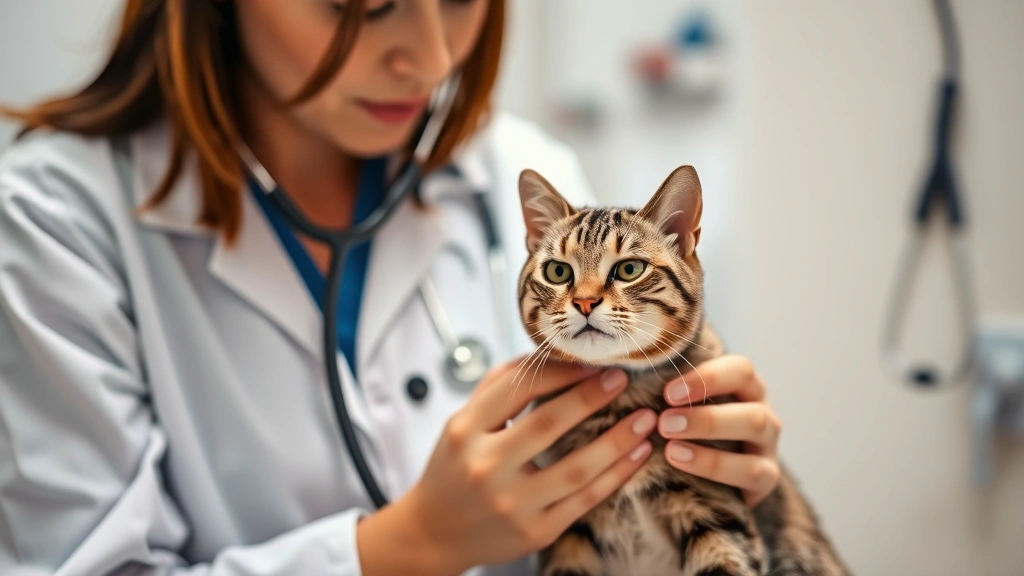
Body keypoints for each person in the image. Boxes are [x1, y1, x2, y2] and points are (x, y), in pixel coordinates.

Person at [0, 1, 784, 575]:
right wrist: (409, 546)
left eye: (458, 0)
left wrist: (708, 480)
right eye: (361, 5)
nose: (432, 58)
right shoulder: (54, 217)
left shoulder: (510, 165)